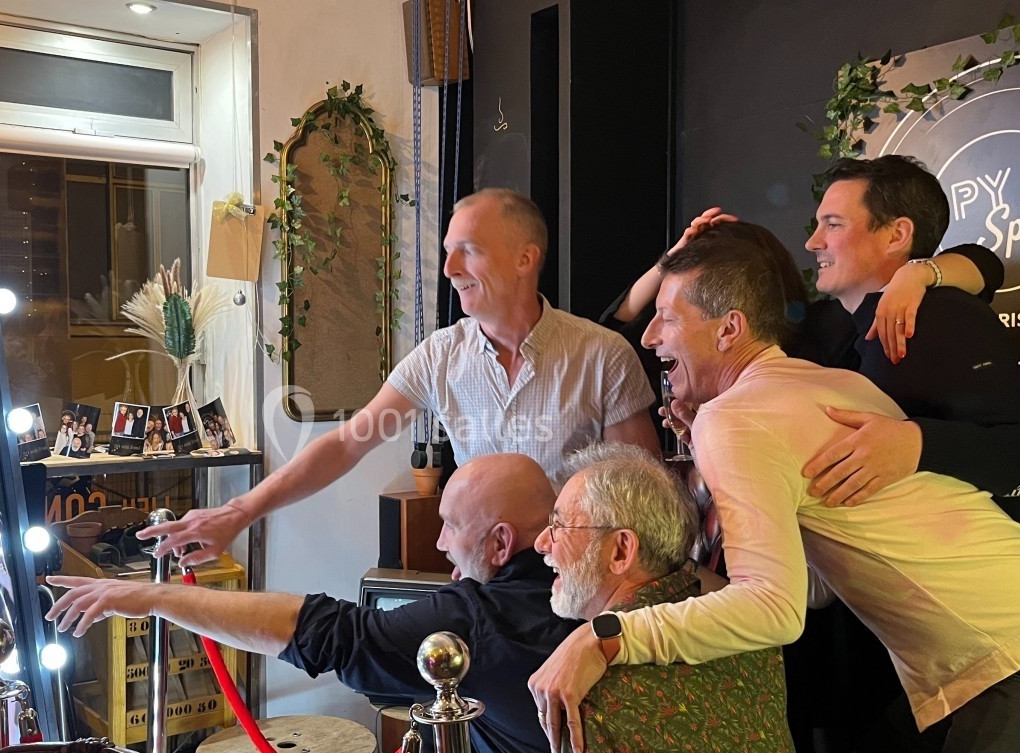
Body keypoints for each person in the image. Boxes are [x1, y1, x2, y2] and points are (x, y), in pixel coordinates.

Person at [529, 233, 1020, 753]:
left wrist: (607, 635)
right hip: (984, 661)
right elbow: (818, 586)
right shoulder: (820, 385)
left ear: (729, 330)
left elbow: (776, 610)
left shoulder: (736, 417)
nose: (649, 337)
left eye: (667, 318)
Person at [48, 453, 581, 753]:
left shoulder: (477, 621)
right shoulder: (590, 597)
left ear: (501, 543)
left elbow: (323, 632)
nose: (440, 543)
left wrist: (152, 596)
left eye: (451, 526)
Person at [142, 188, 658, 567]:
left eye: (469, 250)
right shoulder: (440, 356)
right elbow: (347, 443)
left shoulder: (602, 355)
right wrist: (239, 511)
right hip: (481, 585)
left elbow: (640, 497)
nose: (449, 267)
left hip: (577, 586)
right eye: (448, 250)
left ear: (526, 258)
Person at [538, 443, 802, 753]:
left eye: (559, 527)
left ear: (621, 550)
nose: (542, 543)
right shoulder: (750, 632)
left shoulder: (590, 690)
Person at [800, 155, 1020, 535]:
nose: (812, 241)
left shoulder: (939, 314)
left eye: (833, 225)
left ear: (897, 235)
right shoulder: (833, 325)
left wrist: (917, 443)